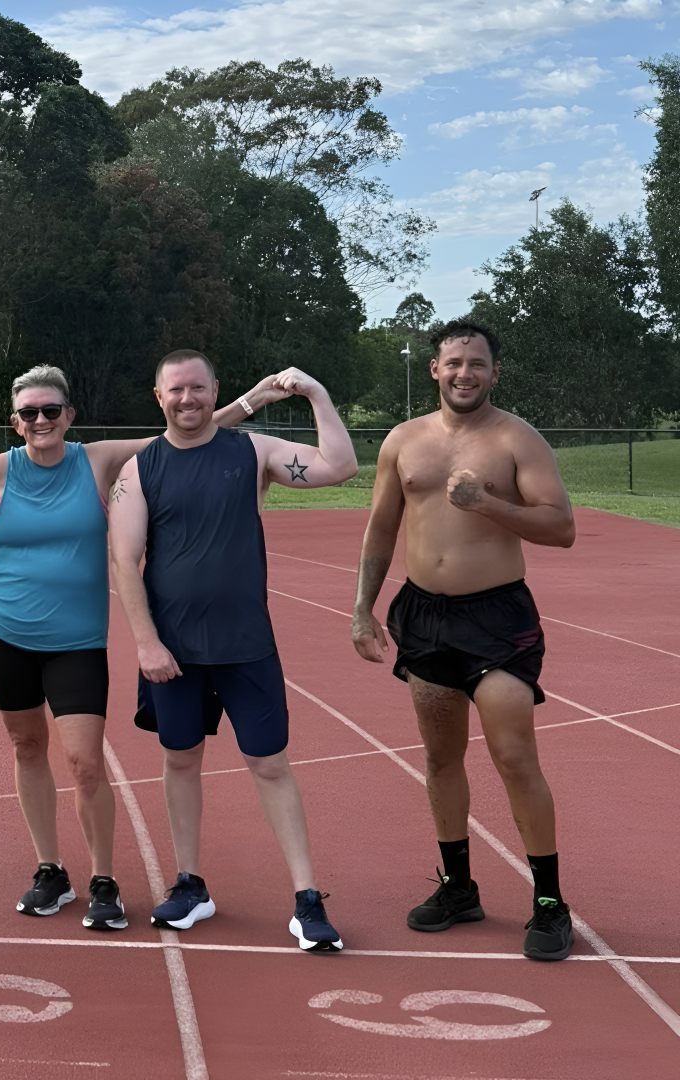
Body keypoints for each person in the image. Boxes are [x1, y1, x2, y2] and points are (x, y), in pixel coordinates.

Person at [0, 364, 273, 931]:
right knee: (26, 746)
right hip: (1, 629)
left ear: (69, 416)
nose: (40, 421)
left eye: (50, 411)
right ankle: (49, 869)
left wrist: (252, 399)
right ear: (15, 422)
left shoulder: (98, 461)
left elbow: (182, 433)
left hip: (76, 640)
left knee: (84, 763)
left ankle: (103, 878)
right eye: (28, 413)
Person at [108, 350, 358, 952]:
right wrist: (146, 643)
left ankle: (306, 898)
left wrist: (317, 393)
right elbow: (124, 559)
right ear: (158, 395)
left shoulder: (254, 453)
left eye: (197, 388)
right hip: (174, 652)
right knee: (180, 760)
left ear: (214, 389)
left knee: (270, 763)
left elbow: (340, 467)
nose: (187, 399)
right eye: (175, 390)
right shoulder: (139, 471)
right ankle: (190, 884)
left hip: (246, 645)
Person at [351, 320, 578, 961]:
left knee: (512, 755)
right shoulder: (404, 441)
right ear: (435, 370)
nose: (464, 374)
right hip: (423, 618)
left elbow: (560, 527)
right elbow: (380, 529)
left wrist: (486, 504)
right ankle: (459, 888)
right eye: (454, 363)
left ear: (494, 372)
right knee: (441, 757)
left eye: (477, 364)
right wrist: (362, 609)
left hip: (498, 619)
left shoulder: (516, 439)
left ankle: (550, 902)